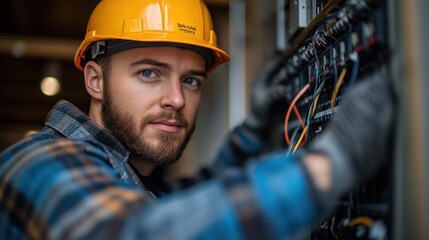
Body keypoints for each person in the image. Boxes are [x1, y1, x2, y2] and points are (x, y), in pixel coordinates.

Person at [0, 0, 395, 239]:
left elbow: (190, 200)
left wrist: (254, 132)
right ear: (95, 79)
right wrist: (326, 168)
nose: (176, 99)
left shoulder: (131, 176)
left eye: (191, 80)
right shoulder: (39, 164)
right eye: (149, 73)